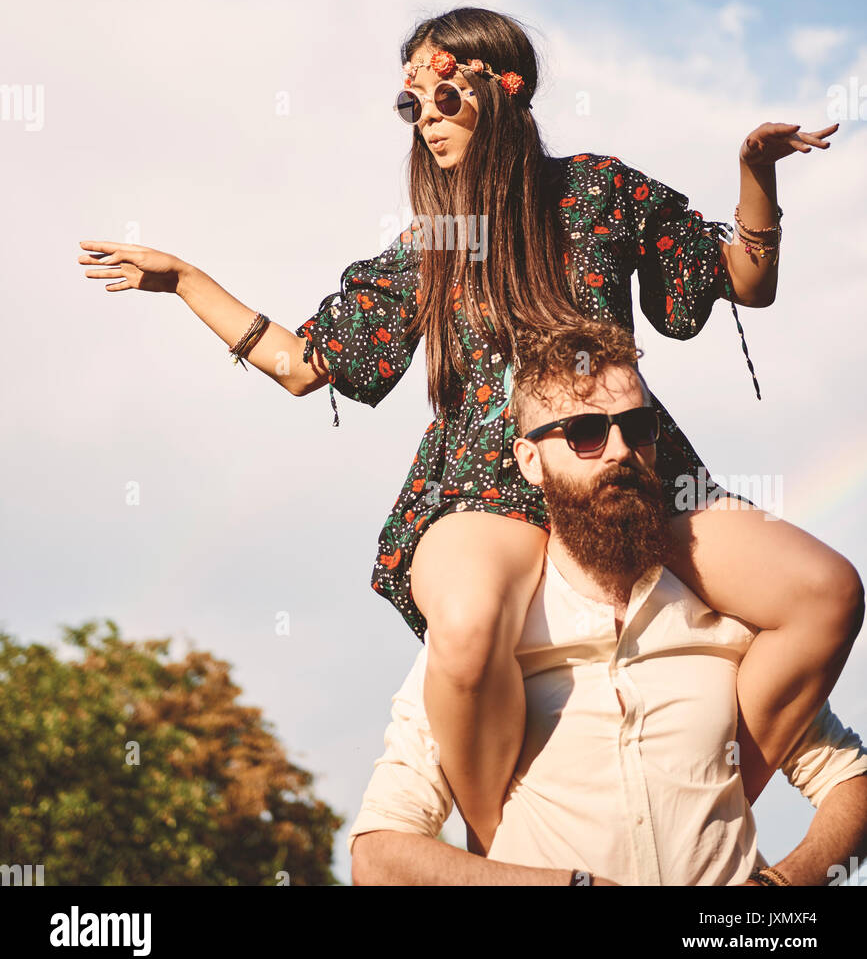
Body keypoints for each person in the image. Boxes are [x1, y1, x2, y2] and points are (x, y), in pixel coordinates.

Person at [77, 6, 862, 857]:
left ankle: (721, 797)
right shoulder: (435, 243)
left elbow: (742, 282)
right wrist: (187, 280)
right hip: (489, 490)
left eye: (439, 96)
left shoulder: (600, 190)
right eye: (409, 108)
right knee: (464, 621)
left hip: (626, 467)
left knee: (824, 590)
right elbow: (302, 365)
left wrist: (754, 172)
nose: (424, 122)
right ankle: (505, 837)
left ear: (497, 86)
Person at [348, 321, 867, 886]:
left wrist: (782, 886)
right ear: (528, 460)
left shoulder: (728, 626)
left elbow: (850, 781)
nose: (619, 450)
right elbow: (378, 858)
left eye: (637, 428)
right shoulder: (480, 647)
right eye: (586, 432)